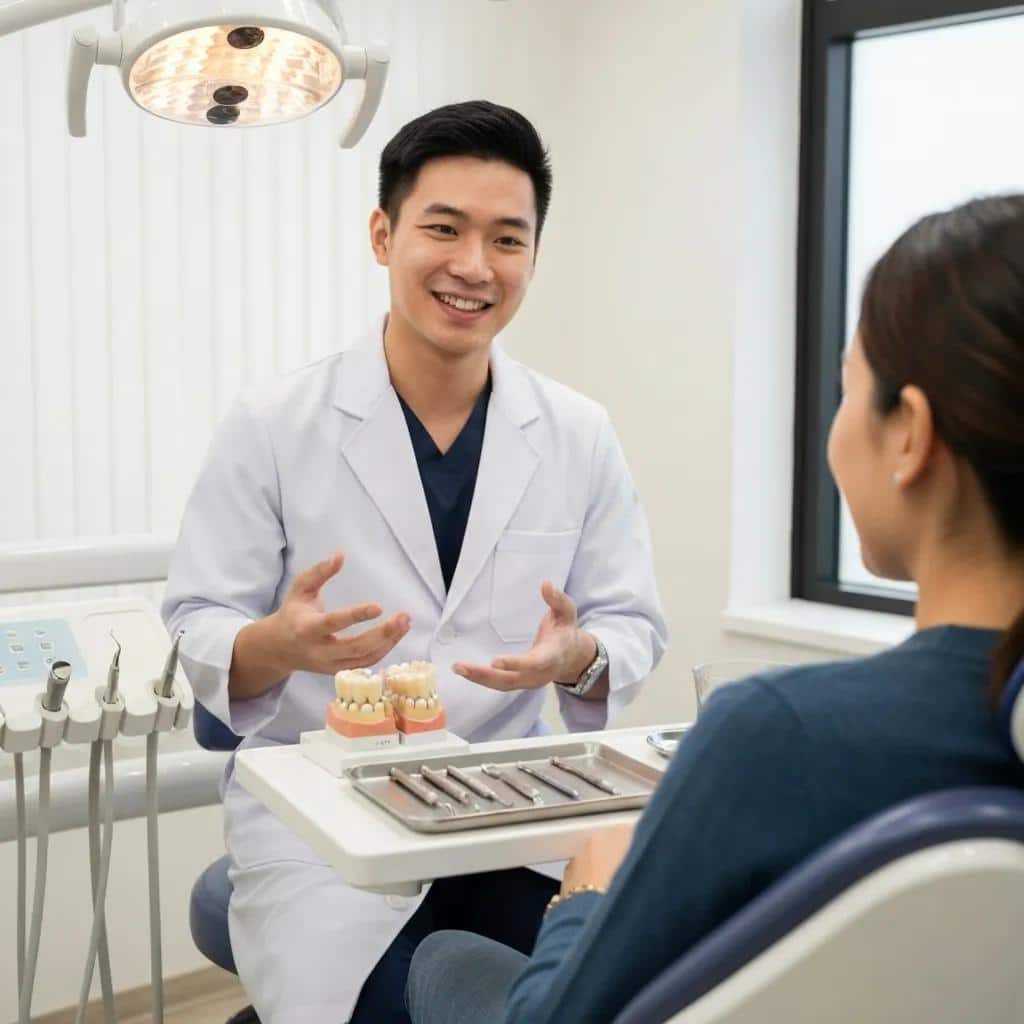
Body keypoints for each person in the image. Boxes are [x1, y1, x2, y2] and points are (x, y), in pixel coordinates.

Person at [405, 194, 1024, 1024]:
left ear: (907, 433)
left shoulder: (778, 735)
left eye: (845, 388)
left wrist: (582, 899)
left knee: (444, 958)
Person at [161, 100, 667, 1024]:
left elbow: (632, 624)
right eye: (445, 228)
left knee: (599, 997)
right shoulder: (274, 425)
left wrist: (579, 657)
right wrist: (275, 643)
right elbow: (198, 620)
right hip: (322, 823)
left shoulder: (578, 434)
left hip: (510, 814)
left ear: (533, 258)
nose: (475, 266)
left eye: (508, 239)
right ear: (383, 235)